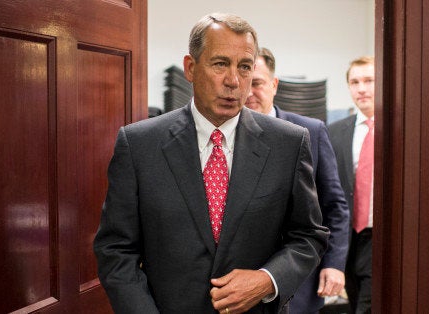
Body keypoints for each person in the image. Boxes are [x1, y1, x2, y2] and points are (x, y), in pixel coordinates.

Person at [93, 12, 329, 314]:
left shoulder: (288, 143)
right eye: (220, 64)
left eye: (244, 67)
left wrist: (267, 280)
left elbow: (308, 236)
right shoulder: (139, 145)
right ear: (190, 68)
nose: (233, 81)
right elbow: (115, 250)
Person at [245, 47, 350, 313]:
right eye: (244, 84)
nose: (248, 94)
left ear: (274, 84)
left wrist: (334, 263)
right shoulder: (226, 136)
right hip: (242, 280)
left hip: (300, 280)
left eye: (256, 83)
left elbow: (334, 206)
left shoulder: (310, 131)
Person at [328, 56, 375, 314]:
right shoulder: (335, 132)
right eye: (354, 82)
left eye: (369, 81)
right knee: (355, 301)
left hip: (380, 235)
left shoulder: (400, 128)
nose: (361, 88)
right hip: (347, 237)